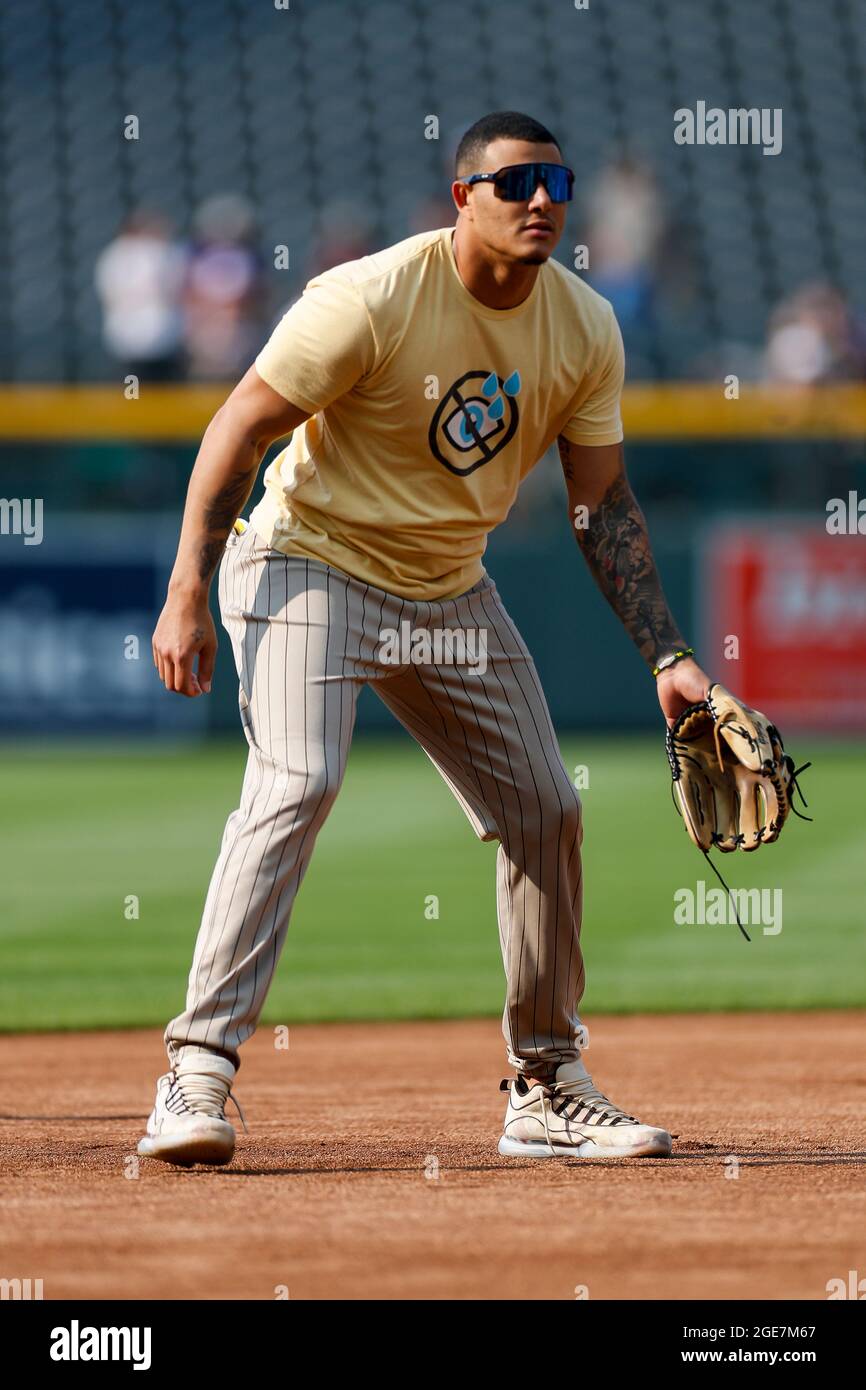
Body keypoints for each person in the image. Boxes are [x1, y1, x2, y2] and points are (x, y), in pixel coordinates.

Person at [142, 111, 710, 1167]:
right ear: (464, 198)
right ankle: (197, 1072)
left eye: (556, 182)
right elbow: (241, 426)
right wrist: (186, 586)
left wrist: (666, 654)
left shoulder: (583, 327)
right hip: (308, 558)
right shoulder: (371, 297)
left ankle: (543, 1086)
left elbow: (601, 508)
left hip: (448, 588)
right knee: (299, 780)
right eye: (514, 183)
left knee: (545, 808)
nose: (540, 199)